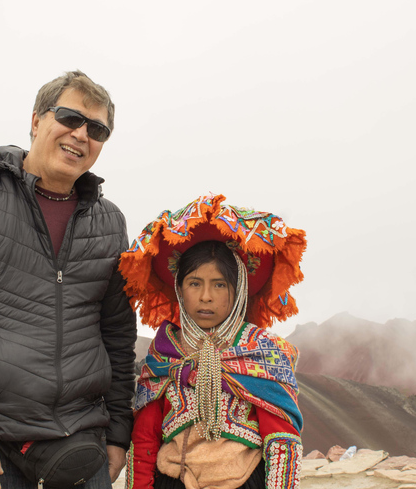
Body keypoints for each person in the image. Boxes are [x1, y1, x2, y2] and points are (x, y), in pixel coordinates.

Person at [0, 70, 137, 489]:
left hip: (81, 444)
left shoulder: (109, 223)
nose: (80, 134)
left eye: (97, 128)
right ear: (36, 121)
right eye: (69, 117)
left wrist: (119, 433)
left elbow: (118, 334)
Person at [118, 194, 307, 489]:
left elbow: (281, 438)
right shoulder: (166, 352)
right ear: (180, 288)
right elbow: (145, 436)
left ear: (240, 289)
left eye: (219, 285)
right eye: (195, 283)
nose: (206, 297)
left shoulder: (260, 352)